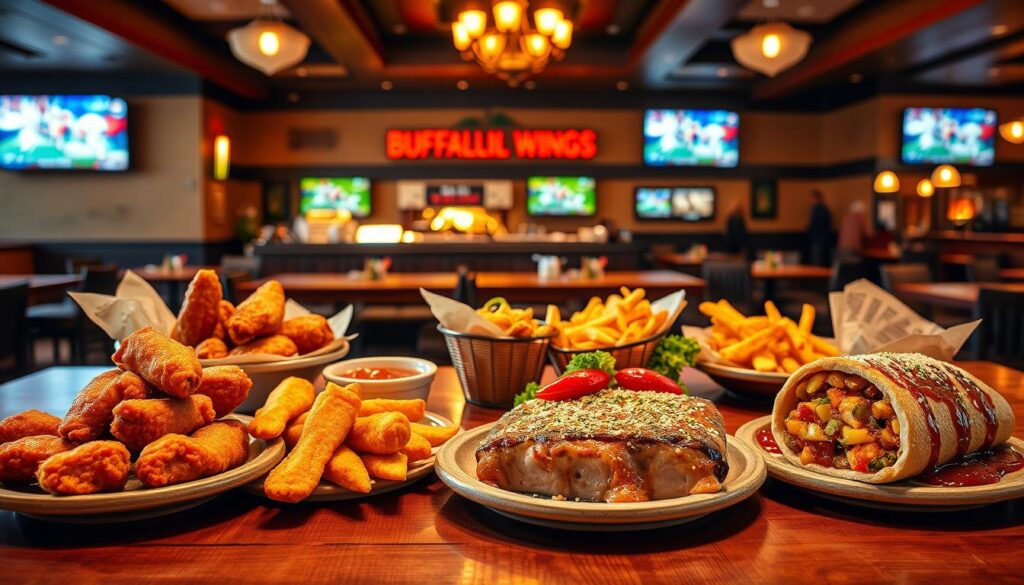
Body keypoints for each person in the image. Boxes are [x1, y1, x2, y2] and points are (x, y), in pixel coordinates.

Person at [807, 190, 833, 266]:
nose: (810, 201)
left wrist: (810, 227)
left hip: (819, 240)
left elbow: (820, 224)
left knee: (817, 262)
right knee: (816, 260)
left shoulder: (822, 210)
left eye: (812, 199)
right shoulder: (818, 209)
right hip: (818, 239)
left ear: (817, 198)